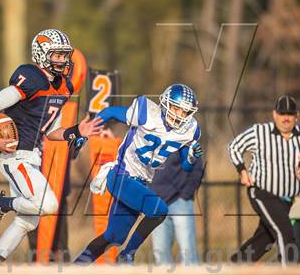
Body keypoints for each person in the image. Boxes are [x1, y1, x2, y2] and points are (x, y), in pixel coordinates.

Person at [0, 29, 103, 262]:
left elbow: (50, 132)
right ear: (41, 54)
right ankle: (0, 202)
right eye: (57, 55)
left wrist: (76, 130)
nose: (62, 60)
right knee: (47, 204)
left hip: (32, 157)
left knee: (28, 220)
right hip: (15, 155)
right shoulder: (30, 78)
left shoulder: (63, 87)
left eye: (64, 55)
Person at [74, 84, 203, 264]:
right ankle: (127, 255)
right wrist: (85, 134)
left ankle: (76, 266)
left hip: (140, 183)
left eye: (184, 112)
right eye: (176, 108)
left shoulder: (189, 131)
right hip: (121, 175)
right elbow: (110, 112)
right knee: (159, 210)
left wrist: (191, 158)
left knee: (113, 237)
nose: (179, 115)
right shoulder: (147, 112)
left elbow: (186, 166)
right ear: (165, 103)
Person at [228, 95, 300, 266]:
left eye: (290, 114)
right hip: (262, 192)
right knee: (285, 232)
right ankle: (290, 270)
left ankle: (236, 265)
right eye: (282, 113)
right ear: (274, 114)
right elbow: (234, 147)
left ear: (297, 116)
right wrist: (242, 170)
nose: (285, 118)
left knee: (265, 239)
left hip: (287, 199)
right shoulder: (260, 132)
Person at [150, 153, 204, 265]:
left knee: (188, 252)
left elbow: (197, 165)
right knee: (160, 254)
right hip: (156, 204)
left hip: (180, 202)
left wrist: (186, 194)